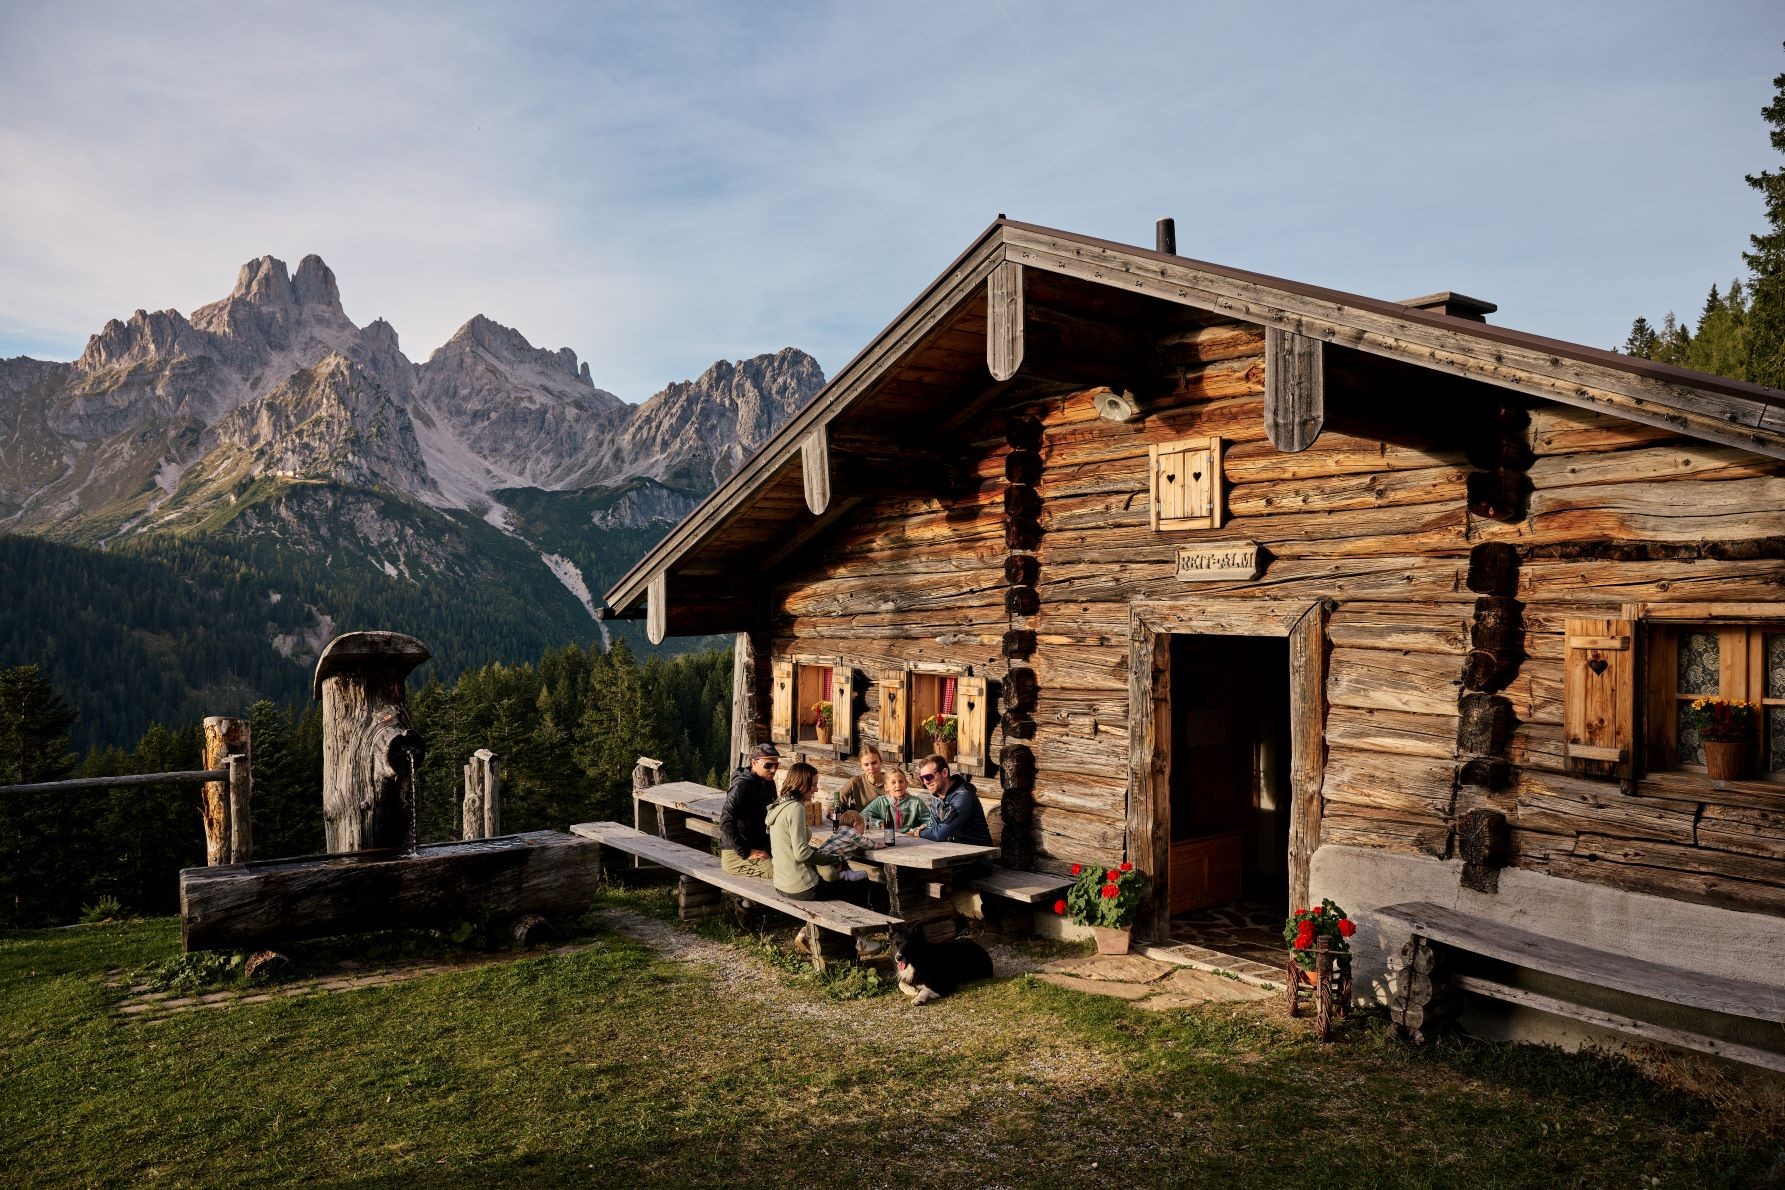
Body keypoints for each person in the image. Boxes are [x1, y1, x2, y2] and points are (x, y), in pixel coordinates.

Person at [765, 761, 890, 917]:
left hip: (782, 884)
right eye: (813, 785)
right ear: (802, 783)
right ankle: (860, 936)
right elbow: (801, 854)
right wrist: (833, 859)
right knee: (861, 883)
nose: (816, 789)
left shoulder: (779, 806)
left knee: (841, 877)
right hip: (802, 887)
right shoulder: (796, 808)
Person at [719, 742, 779, 879]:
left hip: (758, 847)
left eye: (776, 765)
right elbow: (725, 822)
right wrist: (746, 852)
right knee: (784, 873)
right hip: (736, 854)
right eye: (769, 765)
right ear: (754, 762)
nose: (773, 770)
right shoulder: (741, 786)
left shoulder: (768, 783)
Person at [916, 754, 994, 848]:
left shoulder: (963, 796)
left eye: (928, 777)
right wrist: (926, 831)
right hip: (954, 852)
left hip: (977, 856)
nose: (925, 782)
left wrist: (920, 833)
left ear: (944, 772)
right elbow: (932, 828)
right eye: (922, 778)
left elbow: (940, 833)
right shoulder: (937, 798)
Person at [861, 767, 931, 835]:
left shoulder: (916, 802)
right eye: (893, 782)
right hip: (888, 838)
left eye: (901, 781)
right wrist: (879, 823)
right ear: (886, 787)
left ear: (906, 784)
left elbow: (929, 820)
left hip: (911, 839)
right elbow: (862, 817)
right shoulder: (881, 801)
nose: (898, 785)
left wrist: (917, 830)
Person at [833, 743, 889, 823]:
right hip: (862, 827)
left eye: (874, 763)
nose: (871, 768)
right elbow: (837, 802)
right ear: (861, 766)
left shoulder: (892, 781)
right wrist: (832, 811)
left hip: (887, 826)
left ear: (881, 761)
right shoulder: (855, 782)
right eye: (866, 765)